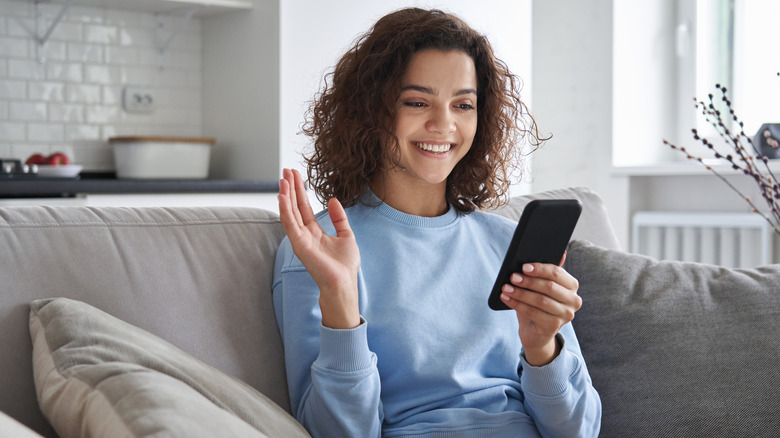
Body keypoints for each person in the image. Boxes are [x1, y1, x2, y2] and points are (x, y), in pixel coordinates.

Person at [273, 7, 601, 437]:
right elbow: (339, 432)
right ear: (371, 111)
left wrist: (543, 348)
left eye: (463, 104)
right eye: (416, 101)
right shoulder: (319, 250)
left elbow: (579, 431)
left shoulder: (506, 242)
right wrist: (340, 302)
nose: (444, 124)